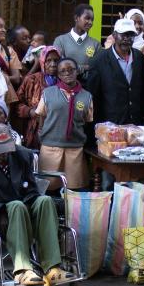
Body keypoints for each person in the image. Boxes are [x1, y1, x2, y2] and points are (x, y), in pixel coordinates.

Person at [0, 123, 67, 286]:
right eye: (0, 150)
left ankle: (52, 267)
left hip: (23, 203)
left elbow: (32, 189)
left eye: (7, 148)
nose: (4, 154)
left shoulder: (23, 155)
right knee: (16, 206)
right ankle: (23, 271)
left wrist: (26, 202)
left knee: (45, 201)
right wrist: (1, 213)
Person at [35, 57, 93, 189]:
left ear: (77, 71)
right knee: (48, 188)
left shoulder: (87, 96)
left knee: (74, 188)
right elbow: (41, 115)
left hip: (74, 149)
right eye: (62, 71)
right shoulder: (48, 93)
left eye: (71, 70)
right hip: (50, 147)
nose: (67, 73)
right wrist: (41, 132)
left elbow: (87, 121)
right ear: (59, 75)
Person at [86, 17, 144, 126]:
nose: (127, 39)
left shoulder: (139, 57)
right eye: (123, 35)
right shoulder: (99, 60)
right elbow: (93, 96)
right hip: (110, 125)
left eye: (130, 35)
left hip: (135, 124)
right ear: (114, 35)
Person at [15, 45, 61, 146]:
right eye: (48, 60)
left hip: (58, 130)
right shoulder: (31, 80)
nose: (53, 64)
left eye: (56, 60)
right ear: (42, 61)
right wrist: (30, 112)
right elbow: (17, 103)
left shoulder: (64, 81)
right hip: (34, 130)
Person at [52, 3, 100, 74]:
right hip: (65, 84)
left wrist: (74, 68)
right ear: (76, 18)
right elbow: (59, 65)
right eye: (87, 18)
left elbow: (97, 67)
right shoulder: (60, 41)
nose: (90, 22)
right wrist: (85, 67)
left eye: (92, 20)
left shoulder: (96, 44)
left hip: (88, 84)